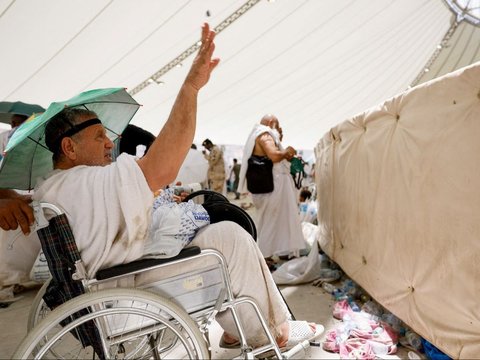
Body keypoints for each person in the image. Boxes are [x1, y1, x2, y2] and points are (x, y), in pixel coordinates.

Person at [33, 24, 321, 350]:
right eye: (99, 136)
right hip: (125, 294)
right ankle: (270, 334)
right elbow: (161, 167)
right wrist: (191, 88)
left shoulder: (56, 188)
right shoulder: (79, 182)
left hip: (110, 287)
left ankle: (240, 327)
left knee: (219, 236)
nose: (109, 142)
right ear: (69, 148)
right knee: (232, 240)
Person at [238, 114, 306, 266]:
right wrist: (287, 151)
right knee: (271, 220)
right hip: (271, 187)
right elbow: (274, 156)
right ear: (271, 123)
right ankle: (264, 256)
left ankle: (278, 251)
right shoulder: (265, 135)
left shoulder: (260, 134)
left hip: (268, 187)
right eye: (278, 125)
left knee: (275, 220)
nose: (279, 129)